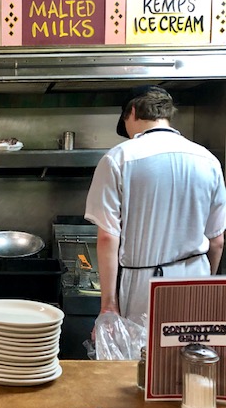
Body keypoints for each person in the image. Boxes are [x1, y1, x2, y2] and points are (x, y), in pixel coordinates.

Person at [84, 85, 226, 327]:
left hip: (143, 286)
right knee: (188, 359)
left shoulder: (119, 158)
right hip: (196, 279)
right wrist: (204, 281)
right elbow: (217, 240)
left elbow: (108, 237)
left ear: (132, 112)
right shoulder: (208, 159)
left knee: (140, 360)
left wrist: (108, 305)